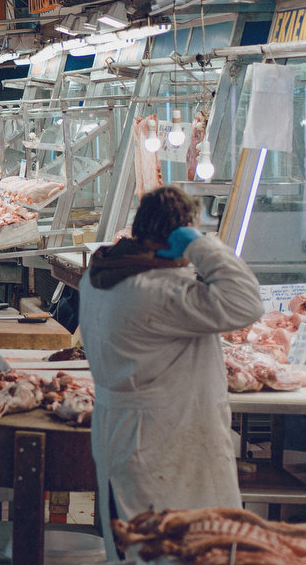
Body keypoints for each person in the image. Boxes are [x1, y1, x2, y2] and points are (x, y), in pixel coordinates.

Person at [79, 185, 262, 516]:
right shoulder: (153, 292)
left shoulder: (100, 277)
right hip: (164, 443)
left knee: (134, 551)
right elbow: (246, 301)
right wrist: (200, 245)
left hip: (124, 431)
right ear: (176, 234)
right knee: (173, 556)